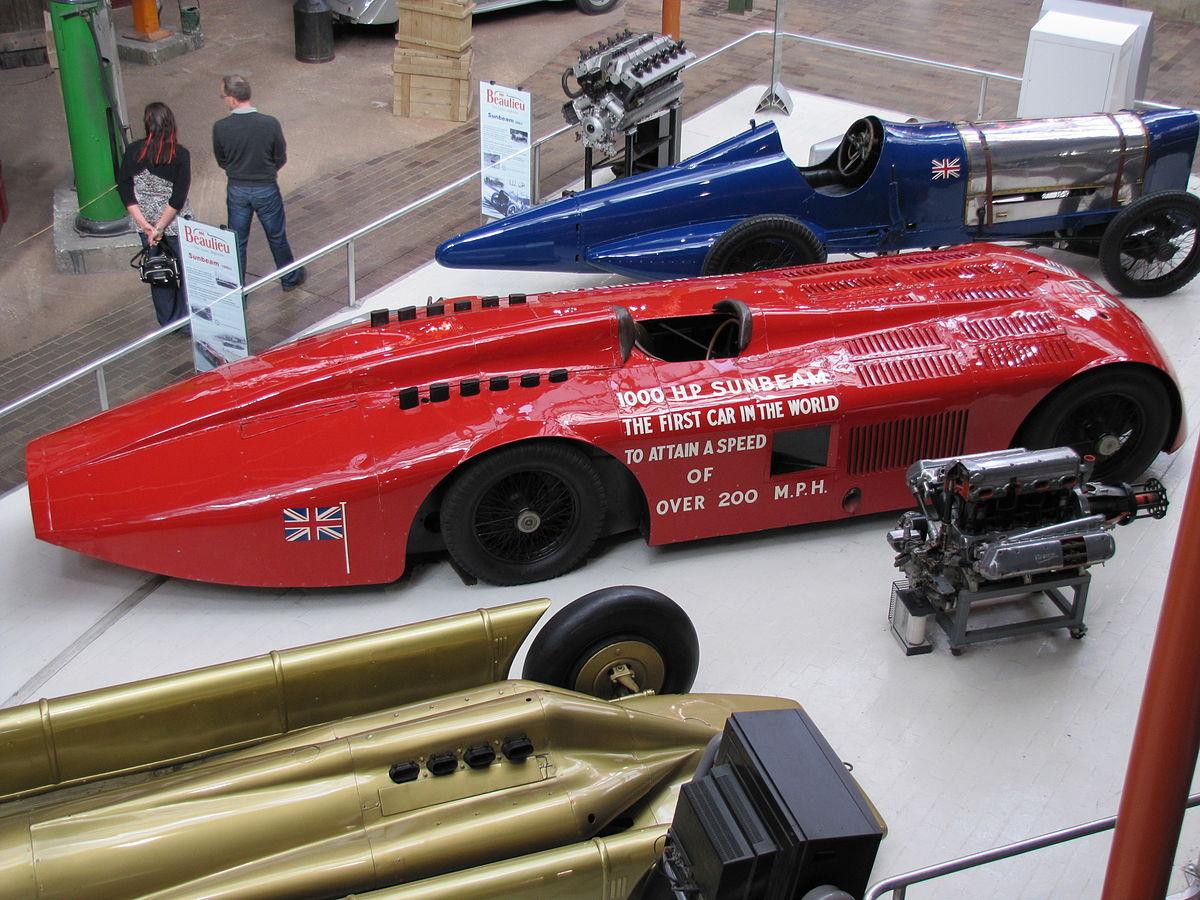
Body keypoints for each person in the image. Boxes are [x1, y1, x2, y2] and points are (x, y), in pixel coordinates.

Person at [212, 74, 306, 292]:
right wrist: (266, 172)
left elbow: (221, 160)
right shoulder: (269, 124)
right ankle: (289, 278)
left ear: (232, 98)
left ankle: (237, 291)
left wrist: (238, 170)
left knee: (237, 242)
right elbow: (280, 156)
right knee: (276, 236)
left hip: (237, 189)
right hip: (266, 188)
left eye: (223, 96)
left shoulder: (221, 127)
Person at [118, 101, 192, 325]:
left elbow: (125, 189)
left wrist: (146, 227)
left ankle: (167, 322)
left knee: (159, 271)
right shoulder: (180, 155)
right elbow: (178, 198)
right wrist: (160, 227)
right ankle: (186, 319)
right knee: (186, 271)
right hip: (175, 225)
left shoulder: (133, 151)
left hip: (147, 226)